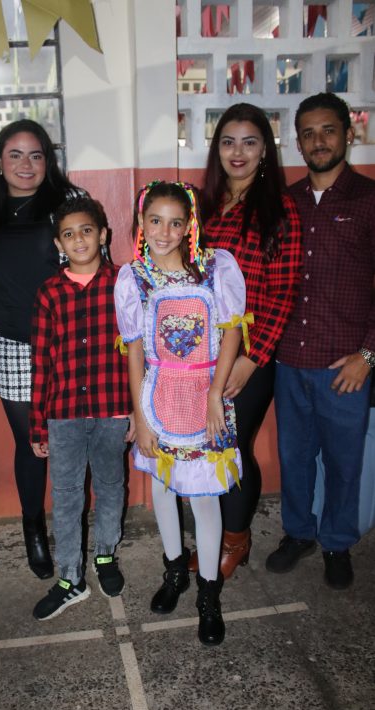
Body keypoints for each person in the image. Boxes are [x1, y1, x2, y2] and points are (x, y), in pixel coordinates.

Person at [115, 181, 246, 646]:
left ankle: (209, 593)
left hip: (206, 398)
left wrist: (215, 395)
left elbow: (232, 333)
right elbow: (134, 351)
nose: (164, 232)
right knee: (164, 487)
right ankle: (174, 572)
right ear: (141, 222)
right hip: (159, 398)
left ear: (190, 225)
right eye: (155, 221)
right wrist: (140, 415)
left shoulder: (214, 268)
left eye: (175, 223)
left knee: (205, 498)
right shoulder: (134, 278)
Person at [266, 93, 375, 589]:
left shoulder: (368, 199)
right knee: (294, 458)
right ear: (298, 143)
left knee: (344, 462)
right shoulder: (284, 202)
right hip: (289, 359)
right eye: (308, 133)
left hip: (344, 365)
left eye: (328, 130)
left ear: (349, 134)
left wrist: (368, 356)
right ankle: (298, 533)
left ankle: (337, 542)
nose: (318, 141)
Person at [189, 103, 302, 578]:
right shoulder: (203, 206)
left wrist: (252, 359)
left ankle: (235, 541)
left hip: (248, 356)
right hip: (198, 352)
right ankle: (211, 533)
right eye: (228, 142)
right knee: (203, 446)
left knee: (231, 447)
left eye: (250, 142)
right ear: (217, 149)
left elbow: (284, 292)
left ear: (265, 151)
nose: (238, 152)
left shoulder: (279, 209)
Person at [0, 120, 82, 580]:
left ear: (47, 161)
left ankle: (74, 531)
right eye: (15, 155)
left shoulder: (70, 203)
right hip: (10, 346)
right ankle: (33, 529)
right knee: (31, 445)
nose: (26, 164)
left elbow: (90, 269)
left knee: (70, 442)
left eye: (35, 155)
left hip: (68, 344)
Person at [30, 196, 133, 620]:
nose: (79, 240)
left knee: (111, 487)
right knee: (67, 497)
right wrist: (38, 425)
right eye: (69, 234)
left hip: (113, 410)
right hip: (64, 415)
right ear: (59, 243)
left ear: (103, 235)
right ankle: (71, 577)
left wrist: (136, 412)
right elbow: (41, 362)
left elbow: (139, 351)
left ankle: (105, 554)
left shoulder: (124, 283)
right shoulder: (49, 293)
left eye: (86, 231)